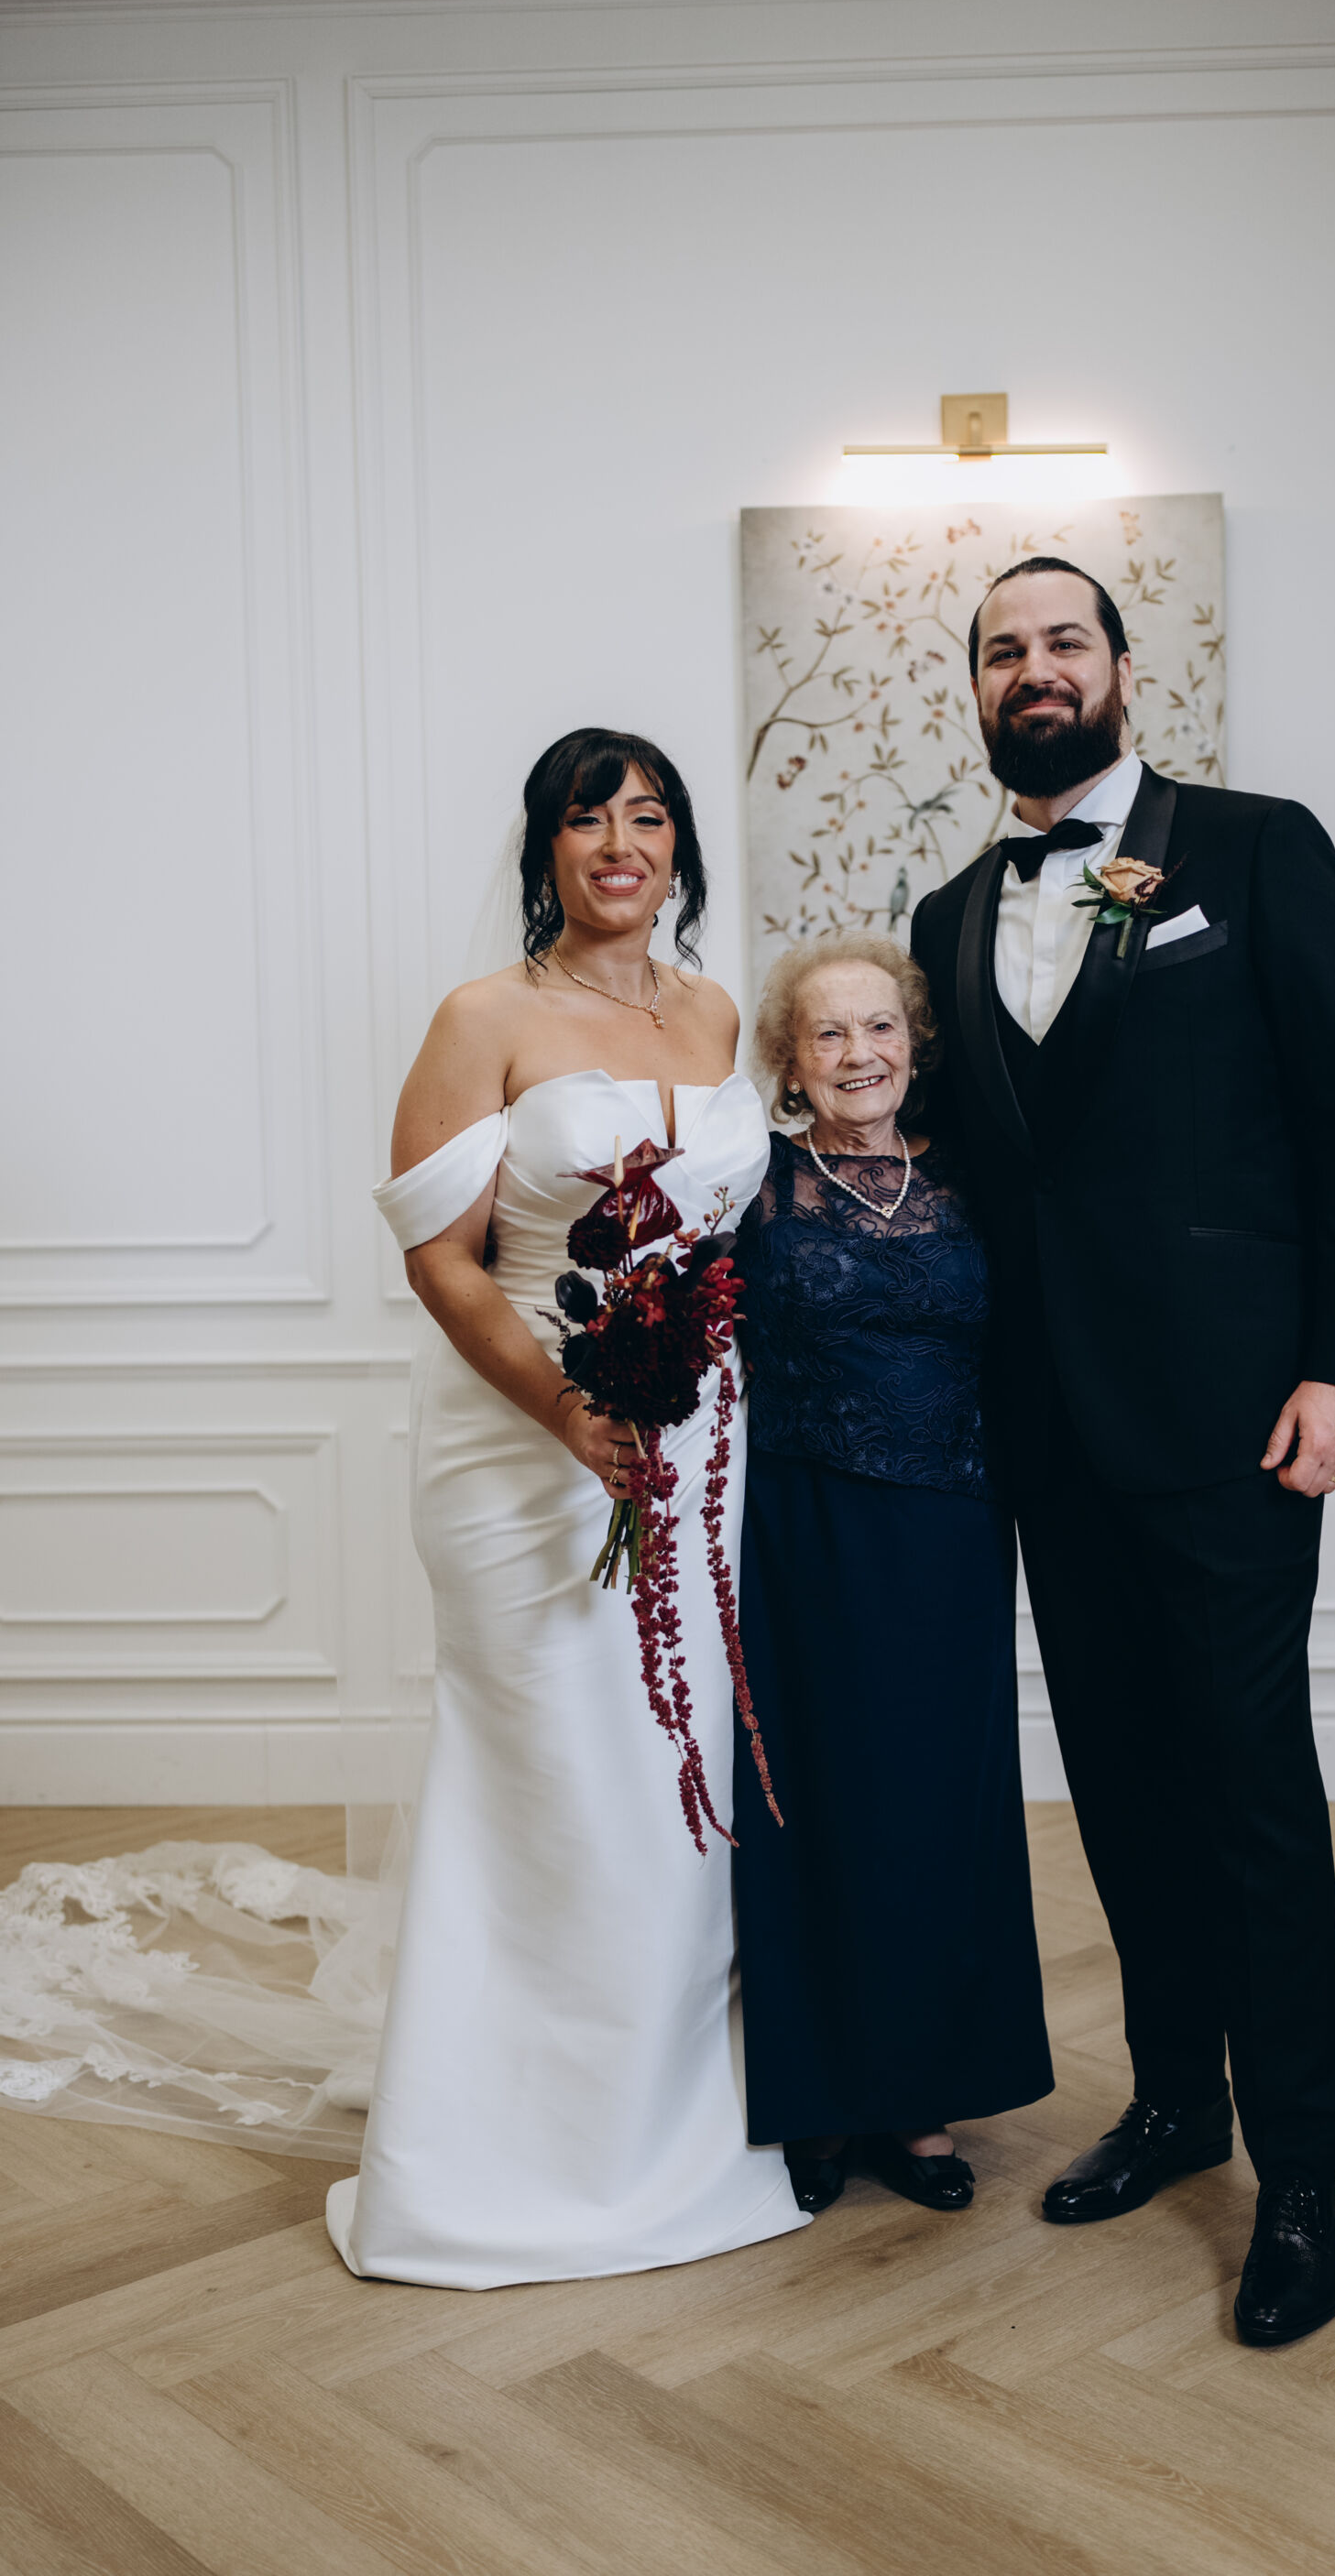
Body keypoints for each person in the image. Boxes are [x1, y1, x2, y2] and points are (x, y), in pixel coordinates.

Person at [909, 557, 1335, 2345]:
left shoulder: (1260, 851)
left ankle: (1301, 2174)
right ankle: (1176, 2100)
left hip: (1235, 1421)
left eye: (1065, 640)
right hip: (1046, 1435)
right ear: (980, 693)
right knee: (1122, 1787)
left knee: (1250, 1791)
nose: (1034, 668)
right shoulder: (947, 916)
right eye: (1004, 651)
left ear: (1124, 668)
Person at [325, 727, 808, 2287]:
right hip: (522, 1443)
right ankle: (497, 2151)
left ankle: (671, 2125)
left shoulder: (715, 1012)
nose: (620, 844)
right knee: (550, 1773)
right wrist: (566, 1409)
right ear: (546, 849)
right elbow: (441, 1258)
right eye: (588, 818)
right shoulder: (484, 1018)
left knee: (671, 1778)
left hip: (702, 1445)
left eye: (648, 817)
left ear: (680, 851)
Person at [729, 934, 1053, 2215]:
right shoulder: (752, 1182)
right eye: (828, 1033)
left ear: (916, 1046)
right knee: (810, 1802)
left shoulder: (976, 1176)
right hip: (801, 1534)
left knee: (929, 1809)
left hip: (950, 1538)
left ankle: (919, 2100)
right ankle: (819, 2098)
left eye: (880, 1028)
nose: (858, 1053)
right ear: (789, 1061)